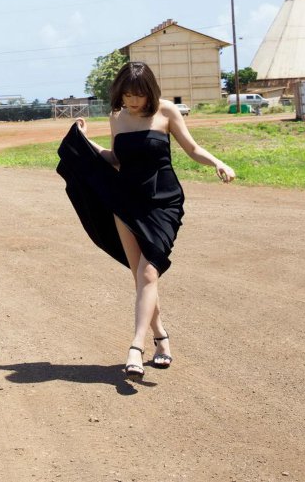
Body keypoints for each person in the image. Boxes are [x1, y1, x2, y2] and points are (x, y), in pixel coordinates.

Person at [55, 61, 235, 380]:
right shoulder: (117, 117)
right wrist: (84, 142)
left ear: (149, 91)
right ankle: (161, 339)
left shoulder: (167, 112)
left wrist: (218, 162)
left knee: (150, 270)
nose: (132, 101)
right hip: (126, 200)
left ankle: (136, 347)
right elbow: (116, 159)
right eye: (126, 94)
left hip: (163, 200)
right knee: (142, 278)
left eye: (138, 95)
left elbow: (192, 149)